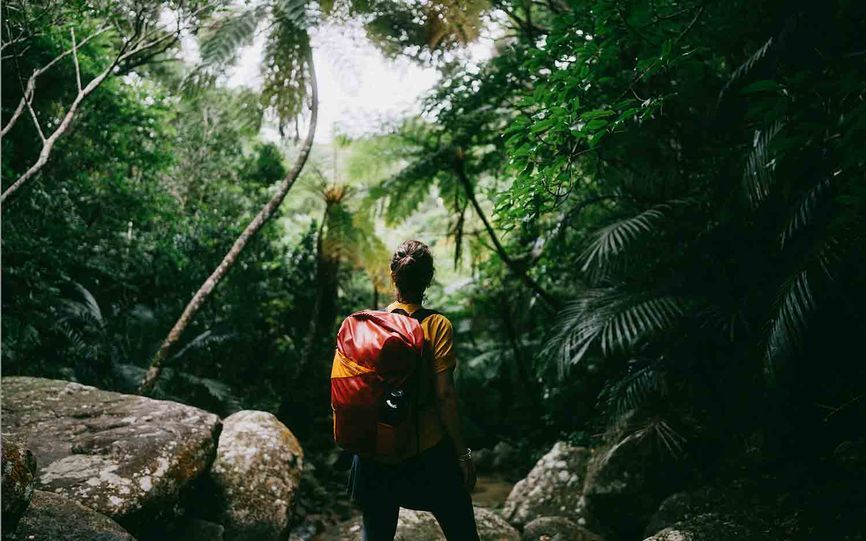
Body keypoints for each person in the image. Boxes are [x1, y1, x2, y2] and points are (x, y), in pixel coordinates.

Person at [347, 239, 479, 541]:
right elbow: (445, 396)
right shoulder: (437, 325)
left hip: (376, 452)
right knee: (462, 530)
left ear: (393, 277)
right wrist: (462, 455)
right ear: (428, 280)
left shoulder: (369, 326)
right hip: (426, 450)